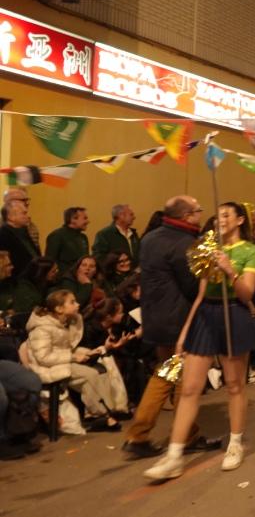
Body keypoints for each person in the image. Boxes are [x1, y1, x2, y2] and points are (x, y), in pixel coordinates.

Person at [144, 202, 255, 479]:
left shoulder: (250, 251)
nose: (220, 219)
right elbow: (199, 294)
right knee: (189, 388)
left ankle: (235, 444)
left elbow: (246, 294)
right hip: (205, 315)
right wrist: (186, 330)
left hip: (233, 313)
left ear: (239, 220)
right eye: (218, 215)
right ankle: (174, 455)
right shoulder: (208, 248)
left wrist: (229, 270)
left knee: (234, 385)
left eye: (226, 215)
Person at [122, 195, 220, 460]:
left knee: (167, 374)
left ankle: (162, 434)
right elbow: (192, 286)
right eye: (198, 210)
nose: (201, 214)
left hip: (154, 316)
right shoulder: (185, 244)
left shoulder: (150, 238)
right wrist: (209, 265)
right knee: (175, 379)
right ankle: (148, 435)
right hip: (179, 320)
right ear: (187, 216)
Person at [23, 290, 124, 431]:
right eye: (72, 302)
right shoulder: (42, 328)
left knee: (97, 371)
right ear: (59, 309)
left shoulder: (65, 323)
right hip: (46, 368)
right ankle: (102, 414)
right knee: (90, 374)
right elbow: (43, 357)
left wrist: (87, 352)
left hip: (60, 362)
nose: (77, 304)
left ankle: (99, 414)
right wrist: (73, 357)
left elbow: (67, 348)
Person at [0, 199, 40, 278]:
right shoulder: (3, 235)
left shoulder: (24, 231)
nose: (27, 216)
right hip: (17, 281)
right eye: (24, 213)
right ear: (10, 216)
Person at [45, 207, 90, 273]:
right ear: (73, 219)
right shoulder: (57, 236)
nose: (88, 221)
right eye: (85, 218)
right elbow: (50, 261)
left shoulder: (83, 237)